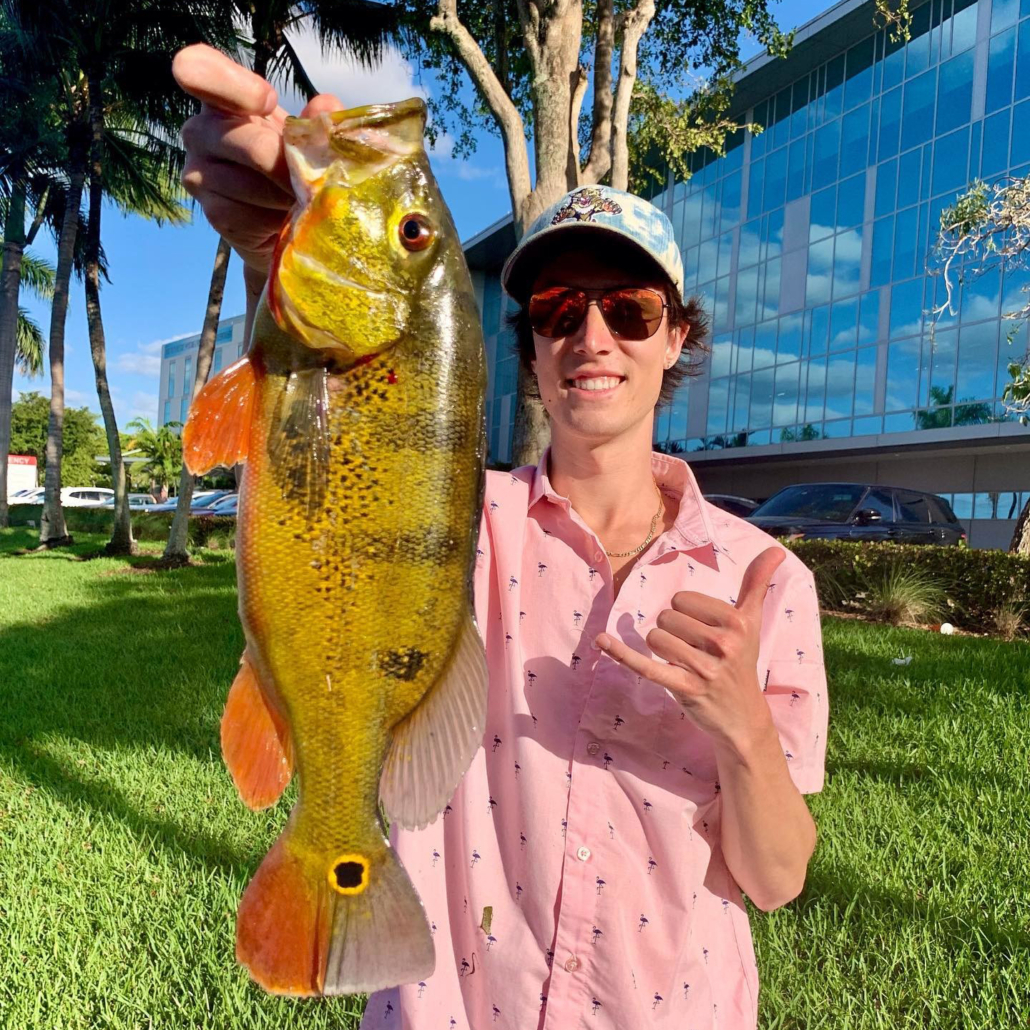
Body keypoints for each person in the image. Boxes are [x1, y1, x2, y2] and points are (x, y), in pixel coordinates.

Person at [173, 43, 829, 1030]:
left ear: (674, 336)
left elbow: (775, 880)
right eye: (559, 311)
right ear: (527, 346)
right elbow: (338, 478)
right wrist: (280, 245)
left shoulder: (765, 577)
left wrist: (741, 724)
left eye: (630, 308)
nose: (593, 336)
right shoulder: (457, 525)